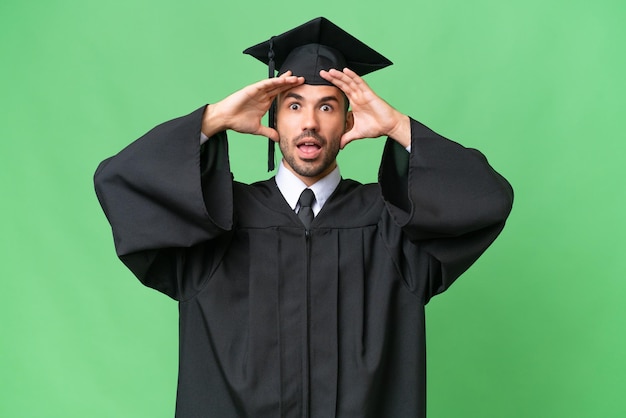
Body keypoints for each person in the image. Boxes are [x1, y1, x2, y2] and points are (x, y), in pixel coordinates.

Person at [95, 17, 513, 418]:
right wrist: (214, 119)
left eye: (327, 107)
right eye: (294, 106)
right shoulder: (215, 225)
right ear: (274, 119)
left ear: (349, 122)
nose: (310, 123)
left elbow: (488, 200)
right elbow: (120, 184)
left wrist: (399, 127)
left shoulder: (392, 230)